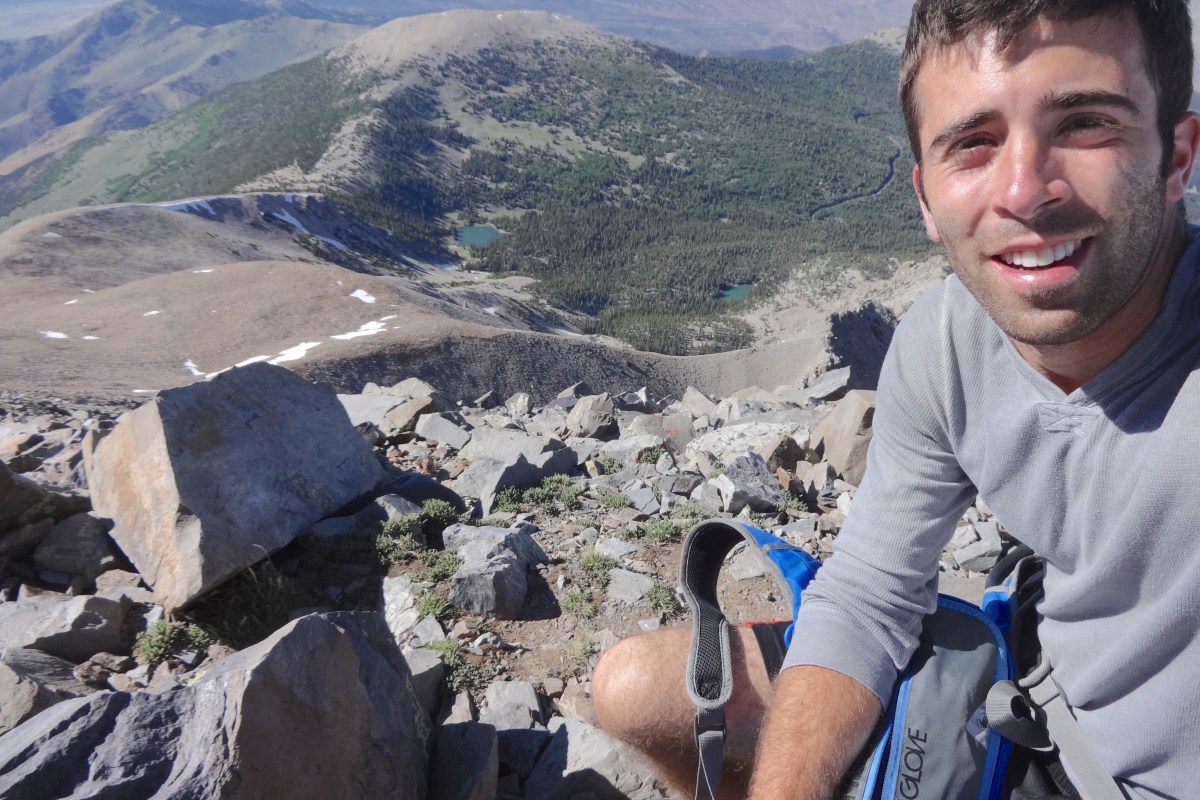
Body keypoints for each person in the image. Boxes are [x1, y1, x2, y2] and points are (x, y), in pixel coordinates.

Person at [591, 1, 1200, 797]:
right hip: (1037, 690)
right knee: (636, 688)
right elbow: (870, 592)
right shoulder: (949, 340)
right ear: (925, 198)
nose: (1024, 190)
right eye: (973, 143)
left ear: (1178, 156)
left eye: (1086, 124)